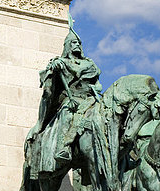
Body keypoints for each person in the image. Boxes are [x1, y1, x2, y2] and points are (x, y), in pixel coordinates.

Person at [25, 14, 103, 178]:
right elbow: (47, 78)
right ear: (67, 46)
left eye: (78, 44)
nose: (76, 46)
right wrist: (53, 68)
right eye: (73, 43)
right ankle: (64, 148)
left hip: (89, 99)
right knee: (68, 115)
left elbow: (96, 84)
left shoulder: (89, 64)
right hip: (70, 101)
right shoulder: (62, 62)